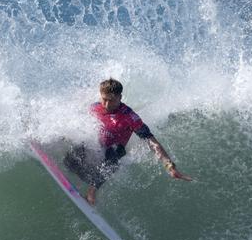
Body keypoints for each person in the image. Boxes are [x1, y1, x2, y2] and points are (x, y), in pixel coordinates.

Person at [64, 78, 192, 205]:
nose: (107, 105)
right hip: (98, 147)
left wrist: (169, 166)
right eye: (104, 99)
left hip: (113, 151)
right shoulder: (95, 107)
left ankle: (91, 192)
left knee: (115, 154)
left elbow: (152, 142)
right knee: (76, 150)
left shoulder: (130, 117)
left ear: (120, 97)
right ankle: (79, 173)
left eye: (111, 100)